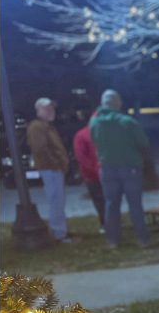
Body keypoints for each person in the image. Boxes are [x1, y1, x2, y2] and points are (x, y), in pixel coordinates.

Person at [89, 90, 151, 249]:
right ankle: (142, 238)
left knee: (111, 205)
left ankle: (113, 240)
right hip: (130, 167)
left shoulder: (94, 123)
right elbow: (143, 142)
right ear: (118, 103)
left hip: (107, 168)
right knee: (135, 204)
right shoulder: (127, 122)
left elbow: (94, 141)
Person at [26, 97, 74, 243]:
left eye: (52, 108)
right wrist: (56, 164)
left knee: (58, 201)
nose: (51, 111)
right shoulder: (36, 127)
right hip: (50, 169)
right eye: (47, 109)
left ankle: (60, 231)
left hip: (53, 169)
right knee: (56, 201)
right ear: (38, 111)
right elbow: (41, 149)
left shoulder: (46, 126)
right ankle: (58, 233)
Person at [73, 112, 105, 232]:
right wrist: (95, 169)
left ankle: (110, 222)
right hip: (92, 176)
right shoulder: (82, 135)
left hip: (106, 173)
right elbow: (81, 157)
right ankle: (105, 223)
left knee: (108, 200)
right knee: (100, 200)